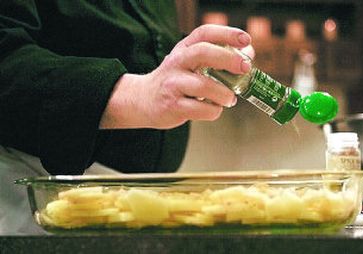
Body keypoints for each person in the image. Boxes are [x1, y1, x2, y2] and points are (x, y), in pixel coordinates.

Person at [0, 1, 253, 233]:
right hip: (38, 202)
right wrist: (137, 94)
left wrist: (199, 62)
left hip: (136, 204)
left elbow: (124, 41)